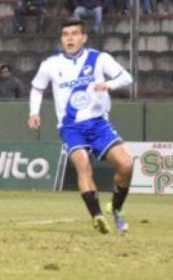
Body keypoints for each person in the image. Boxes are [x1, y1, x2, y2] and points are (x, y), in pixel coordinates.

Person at [28, 18, 134, 234]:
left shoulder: (99, 58)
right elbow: (37, 88)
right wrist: (34, 112)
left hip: (98, 124)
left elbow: (127, 78)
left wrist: (109, 84)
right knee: (83, 165)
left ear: (83, 38)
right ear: (61, 39)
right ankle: (97, 216)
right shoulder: (50, 64)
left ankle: (116, 207)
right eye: (66, 34)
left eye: (75, 33)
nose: (70, 38)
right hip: (70, 127)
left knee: (126, 165)